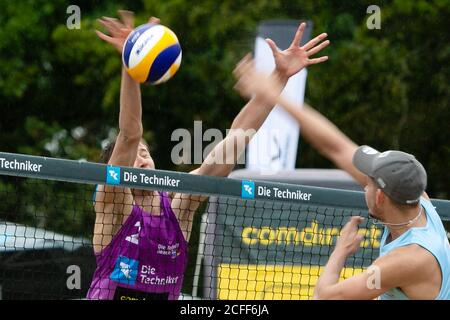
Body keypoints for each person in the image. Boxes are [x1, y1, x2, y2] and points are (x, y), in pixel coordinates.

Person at [87, 10, 330, 300]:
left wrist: (278, 77)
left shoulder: (178, 206)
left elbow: (234, 141)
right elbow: (129, 135)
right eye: (133, 156)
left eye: (145, 153)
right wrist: (132, 64)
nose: (142, 159)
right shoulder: (112, 205)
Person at [233, 58, 450, 300]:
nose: (362, 182)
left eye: (367, 183)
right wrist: (275, 95)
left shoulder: (406, 259)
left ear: (380, 196)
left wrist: (341, 251)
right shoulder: (419, 202)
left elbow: (324, 297)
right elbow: (335, 146)